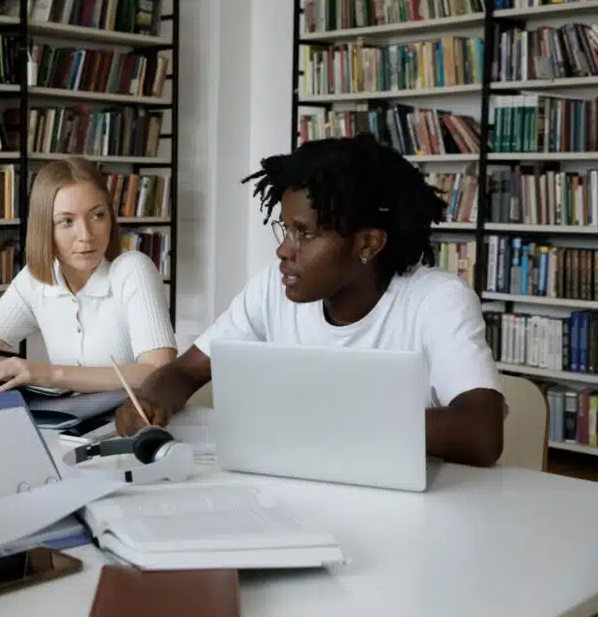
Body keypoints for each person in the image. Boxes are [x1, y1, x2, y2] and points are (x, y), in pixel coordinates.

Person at [115, 134, 505, 468]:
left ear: (368, 244)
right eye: (285, 230)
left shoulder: (438, 301)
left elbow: (481, 433)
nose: (284, 250)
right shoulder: (273, 288)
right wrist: (148, 400)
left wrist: (325, 420)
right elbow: (186, 372)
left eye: (304, 233)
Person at [0, 157, 177, 393]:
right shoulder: (36, 279)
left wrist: (47, 374)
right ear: (44, 228)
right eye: (67, 221)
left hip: (133, 416)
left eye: (97, 215)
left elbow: (159, 372)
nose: (85, 235)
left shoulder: (133, 269)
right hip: (66, 416)